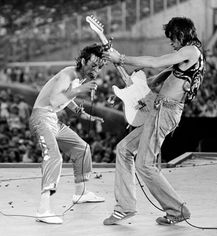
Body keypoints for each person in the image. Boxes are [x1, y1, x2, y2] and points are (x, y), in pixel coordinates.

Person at [103, 17, 205, 225]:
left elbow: (154, 61)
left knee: (145, 164)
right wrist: (123, 95)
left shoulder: (191, 51)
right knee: (123, 149)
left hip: (165, 111)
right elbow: (153, 82)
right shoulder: (183, 60)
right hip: (159, 109)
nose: (172, 44)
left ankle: (177, 210)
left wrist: (121, 57)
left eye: (173, 39)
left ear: (181, 34)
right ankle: (125, 207)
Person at [29, 44, 107, 224]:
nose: (96, 69)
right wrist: (80, 90)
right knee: (54, 157)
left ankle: (80, 193)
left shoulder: (79, 78)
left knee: (82, 149)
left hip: (53, 120)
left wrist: (86, 115)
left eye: (99, 66)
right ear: (83, 61)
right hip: (41, 118)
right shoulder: (68, 74)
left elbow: (67, 99)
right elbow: (55, 99)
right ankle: (43, 209)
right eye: (93, 65)